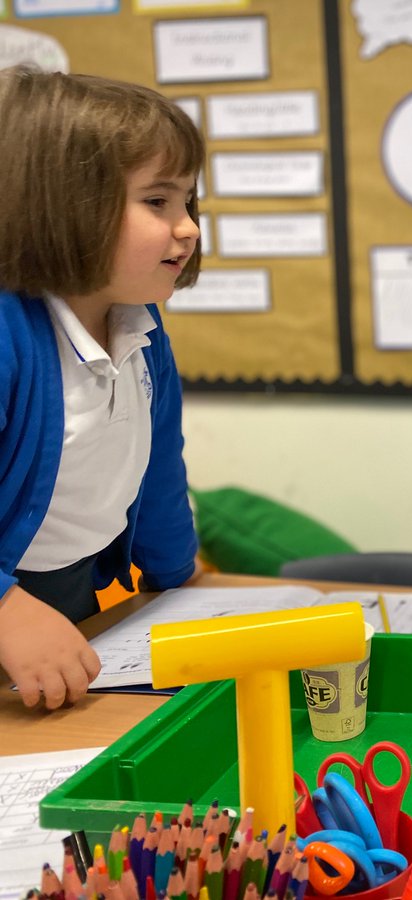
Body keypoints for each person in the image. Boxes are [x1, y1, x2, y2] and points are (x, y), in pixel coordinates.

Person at [0, 67, 202, 709]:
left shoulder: (141, 326)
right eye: (158, 202)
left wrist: (181, 582)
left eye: (189, 202)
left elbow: (159, 468)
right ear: (64, 207)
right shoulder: (7, 331)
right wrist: (6, 610)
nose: (189, 228)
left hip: (68, 602)